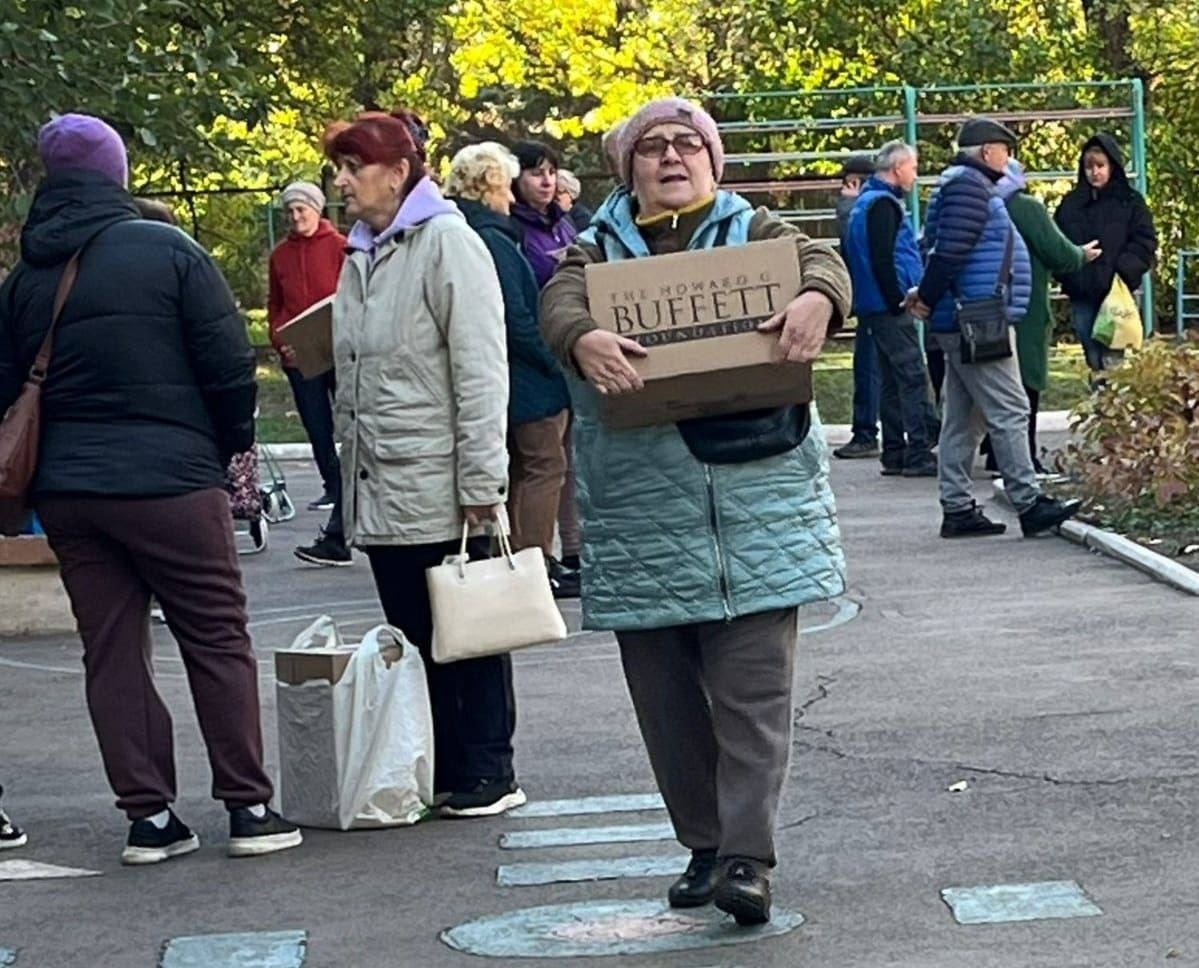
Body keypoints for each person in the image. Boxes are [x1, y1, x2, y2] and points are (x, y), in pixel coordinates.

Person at [541, 96, 850, 926]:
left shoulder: (758, 236)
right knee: (668, 702)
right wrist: (581, 341)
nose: (672, 158)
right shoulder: (592, 251)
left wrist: (820, 299)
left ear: (713, 162)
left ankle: (747, 859)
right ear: (626, 168)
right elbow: (558, 307)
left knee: (754, 696)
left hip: (757, 510)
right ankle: (704, 845)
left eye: (688, 145)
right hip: (642, 517)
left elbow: (822, 262)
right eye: (652, 148)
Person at [0, 114, 300, 863]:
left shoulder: (26, 274)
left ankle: (149, 818)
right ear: (117, 173)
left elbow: (7, 388)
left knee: (110, 649)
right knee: (215, 636)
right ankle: (249, 805)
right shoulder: (171, 252)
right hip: (171, 482)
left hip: (68, 492)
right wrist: (226, 447)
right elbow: (230, 364)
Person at [325, 111, 524, 817]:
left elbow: (479, 370)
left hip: (439, 478)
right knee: (414, 636)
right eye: (338, 167)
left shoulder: (447, 243)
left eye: (354, 166)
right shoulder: (361, 253)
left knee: (467, 628)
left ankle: (488, 768)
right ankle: (441, 764)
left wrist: (480, 484)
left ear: (399, 170)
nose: (342, 181)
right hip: (381, 482)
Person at [908, 118, 1079, 539]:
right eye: (1006, 149)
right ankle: (1029, 501)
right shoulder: (969, 187)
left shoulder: (965, 186)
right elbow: (949, 252)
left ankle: (958, 507)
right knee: (1010, 409)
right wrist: (927, 296)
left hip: (969, 316)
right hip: (977, 320)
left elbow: (947, 248)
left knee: (962, 420)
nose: (1010, 158)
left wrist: (929, 296)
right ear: (987, 152)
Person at [446, 143, 577, 598]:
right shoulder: (493, 240)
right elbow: (515, 316)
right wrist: (554, 358)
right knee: (544, 465)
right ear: (490, 186)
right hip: (526, 376)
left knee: (526, 468)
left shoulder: (470, 233)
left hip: (509, 374)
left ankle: (526, 557)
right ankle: (534, 559)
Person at [987, 160, 1100, 473]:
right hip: (1025, 305)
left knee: (988, 383)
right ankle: (1023, 455)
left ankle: (995, 453)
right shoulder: (1025, 209)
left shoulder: (977, 204)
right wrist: (1082, 254)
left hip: (982, 307)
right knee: (1026, 377)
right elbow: (1056, 251)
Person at [268, 181, 353, 567]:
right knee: (317, 425)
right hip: (298, 350)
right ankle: (332, 486)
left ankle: (348, 495)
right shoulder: (280, 254)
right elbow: (275, 303)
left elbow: (350, 292)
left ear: (318, 210)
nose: (296, 216)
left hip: (338, 345)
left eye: (302, 209)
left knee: (350, 420)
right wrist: (278, 337)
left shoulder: (340, 246)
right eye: (290, 211)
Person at [511, 140, 584, 583]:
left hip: (571, 356)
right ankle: (534, 562)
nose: (546, 180)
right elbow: (517, 306)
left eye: (551, 171)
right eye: (535, 172)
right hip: (536, 363)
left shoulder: (563, 224)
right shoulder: (513, 230)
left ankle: (572, 550)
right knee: (540, 463)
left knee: (569, 459)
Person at [843, 142, 939, 477]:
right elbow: (883, 258)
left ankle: (895, 452)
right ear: (898, 168)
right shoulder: (883, 204)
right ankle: (918, 452)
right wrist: (898, 298)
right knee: (912, 376)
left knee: (890, 380)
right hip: (889, 303)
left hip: (871, 303)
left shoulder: (862, 203)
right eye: (913, 167)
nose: (915, 174)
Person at [1054, 133, 1156, 374]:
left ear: (1112, 166)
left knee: (1113, 358)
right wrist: (1069, 274)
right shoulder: (1070, 204)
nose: (1094, 172)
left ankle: (1110, 403)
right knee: (1092, 354)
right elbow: (1056, 244)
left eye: (1100, 166)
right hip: (1082, 292)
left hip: (1116, 292)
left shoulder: (1130, 202)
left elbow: (1145, 241)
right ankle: (1099, 395)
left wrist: (1123, 271)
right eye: (1089, 167)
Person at [833, 153, 882, 460]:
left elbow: (854, 247)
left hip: (873, 300)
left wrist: (846, 208)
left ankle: (866, 433)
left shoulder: (858, 210)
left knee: (869, 369)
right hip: (878, 299)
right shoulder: (882, 204)